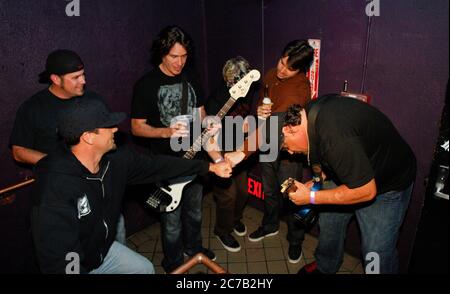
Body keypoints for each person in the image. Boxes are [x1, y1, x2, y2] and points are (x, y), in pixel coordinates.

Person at [31, 96, 232, 274]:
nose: (115, 129)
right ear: (88, 137)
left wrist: (209, 167)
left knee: (143, 268)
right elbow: (61, 261)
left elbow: (159, 166)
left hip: (103, 249)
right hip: (77, 261)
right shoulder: (54, 186)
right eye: (107, 126)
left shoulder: (117, 159)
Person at [281, 96, 416, 274]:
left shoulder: (334, 135)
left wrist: (311, 197)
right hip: (351, 173)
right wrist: (317, 180)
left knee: (375, 251)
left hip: (386, 185)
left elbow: (366, 191)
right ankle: (325, 267)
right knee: (329, 224)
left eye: (287, 147)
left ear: (291, 129)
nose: (291, 152)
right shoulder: (309, 115)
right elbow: (333, 154)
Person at [131, 26, 222, 272]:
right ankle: (173, 263)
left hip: (194, 158)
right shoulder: (146, 85)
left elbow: (201, 113)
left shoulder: (191, 75)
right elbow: (137, 128)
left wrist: (209, 124)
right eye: (174, 56)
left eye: (184, 56)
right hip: (166, 164)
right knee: (171, 221)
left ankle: (194, 250)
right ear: (161, 53)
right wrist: (165, 131)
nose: (180, 62)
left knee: (195, 213)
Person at [225, 40, 314, 263]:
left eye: (289, 68)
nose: (282, 70)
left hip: (287, 151)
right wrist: (260, 110)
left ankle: (295, 241)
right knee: (270, 190)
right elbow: (264, 106)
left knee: (292, 196)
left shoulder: (301, 87)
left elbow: (278, 123)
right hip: (265, 145)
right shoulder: (272, 74)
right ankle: (270, 225)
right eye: (282, 62)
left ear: (300, 69)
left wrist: (242, 150)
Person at [205, 56, 256, 252]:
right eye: (236, 81)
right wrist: (217, 159)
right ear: (228, 80)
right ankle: (222, 230)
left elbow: (242, 116)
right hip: (219, 150)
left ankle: (234, 220)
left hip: (237, 149)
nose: (241, 84)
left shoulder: (247, 91)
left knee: (243, 192)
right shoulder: (217, 99)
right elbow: (207, 134)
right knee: (227, 196)